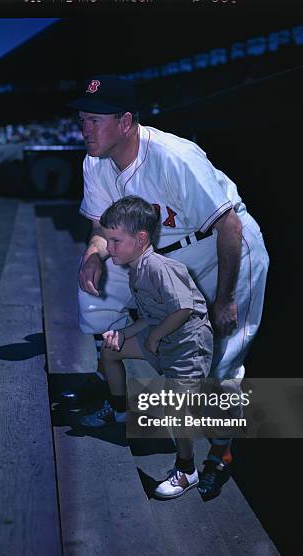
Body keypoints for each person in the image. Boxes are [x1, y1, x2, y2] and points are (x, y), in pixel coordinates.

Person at [68, 74, 269, 498]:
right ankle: (121, 398)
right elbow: (103, 231)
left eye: (94, 120)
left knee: (220, 368)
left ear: (125, 122)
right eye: (82, 119)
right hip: (168, 259)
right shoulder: (95, 162)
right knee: (106, 315)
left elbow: (228, 226)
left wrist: (225, 299)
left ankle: (220, 455)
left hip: (226, 251)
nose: (85, 129)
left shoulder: (174, 155)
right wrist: (93, 256)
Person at [88, 196, 214, 500]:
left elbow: (183, 309)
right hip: (162, 336)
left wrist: (154, 339)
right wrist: (122, 333)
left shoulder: (158, 267)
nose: (110, 248)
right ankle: (120, 410)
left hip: (187, 344)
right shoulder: (137, 268)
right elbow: (150, 315)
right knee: (109, 351)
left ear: (141, 238)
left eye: (115, 241)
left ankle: (187, 470)